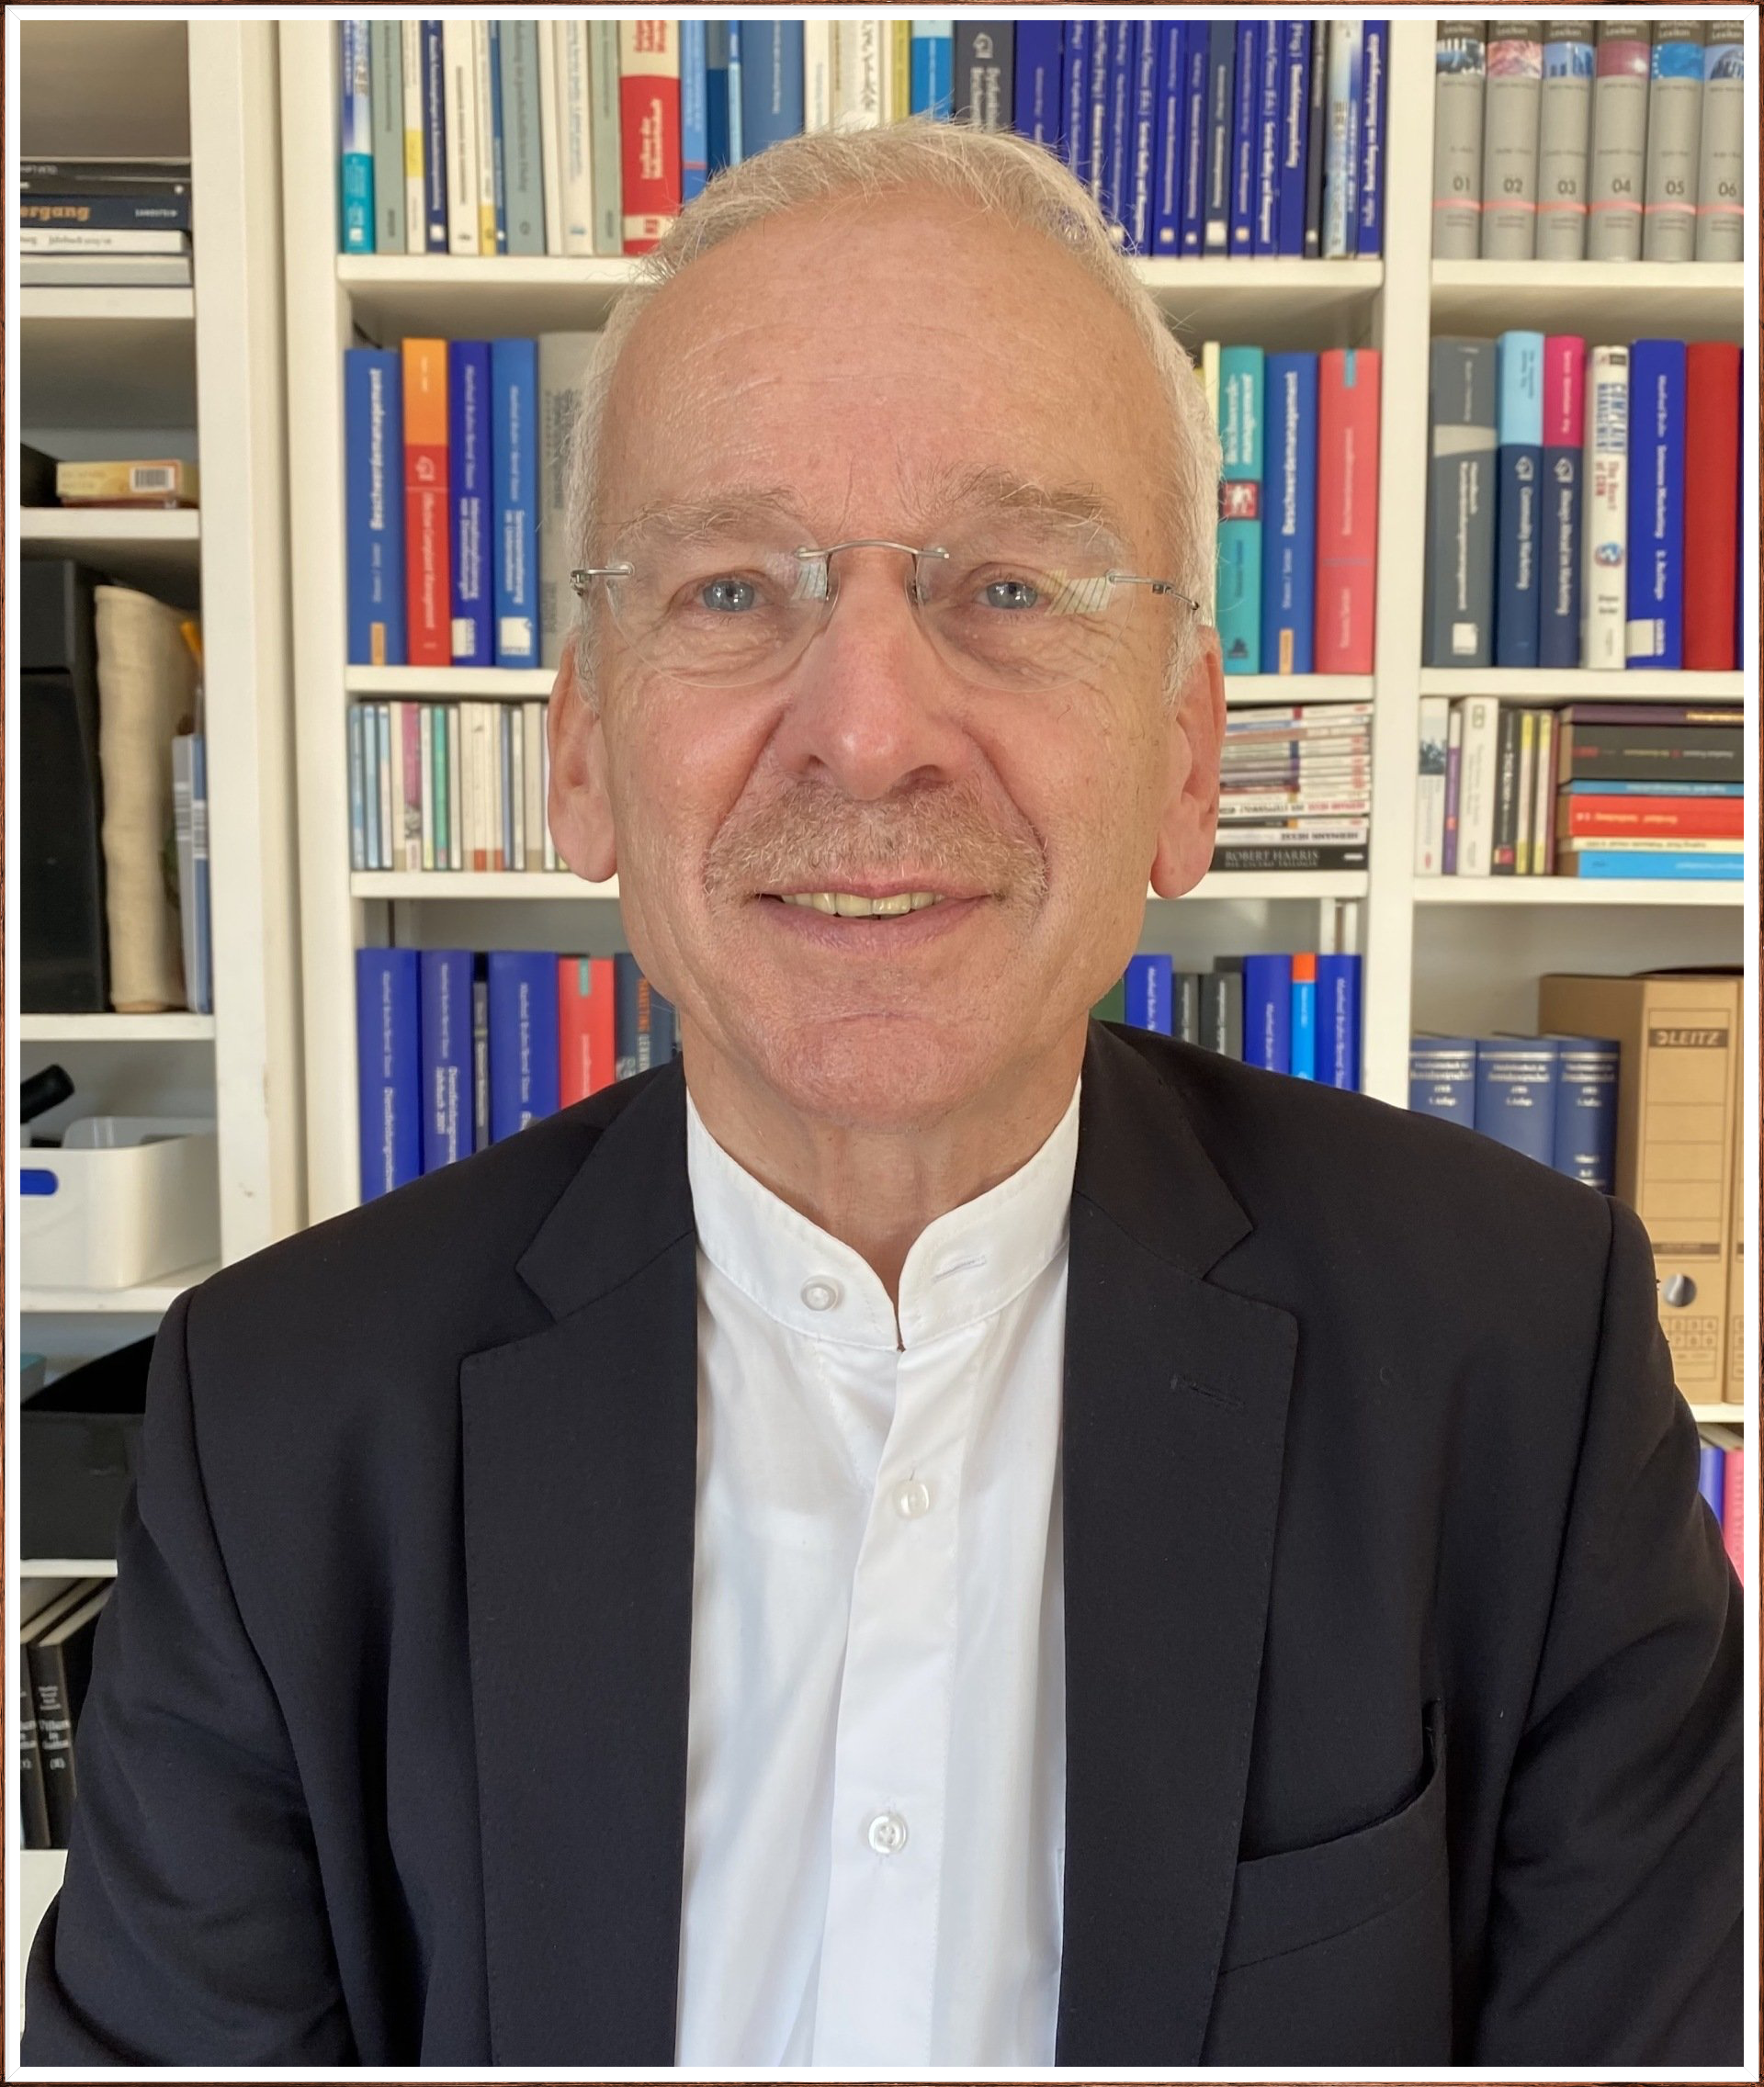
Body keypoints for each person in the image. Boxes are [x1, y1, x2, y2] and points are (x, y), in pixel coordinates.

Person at [25, 120, 1740, 2070]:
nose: (865, 729)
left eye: (1009, 586)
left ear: (1188, 759)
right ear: (581, 755)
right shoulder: (278, 1423)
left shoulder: (1521, 1359)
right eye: (731, 590)